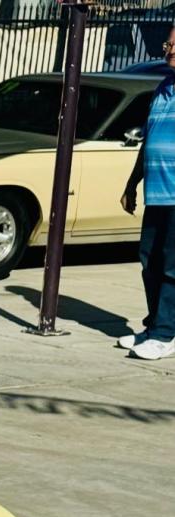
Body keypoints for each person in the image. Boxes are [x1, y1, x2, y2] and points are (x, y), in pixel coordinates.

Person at [121, 26, 175, 360]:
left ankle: (165, 335)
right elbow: (149, 142)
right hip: (157, 191)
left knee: (172, 265)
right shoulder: (162, 88)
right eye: (169, 43)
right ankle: (155, 324)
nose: (169, 49)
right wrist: (131, 183)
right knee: (150, 260)